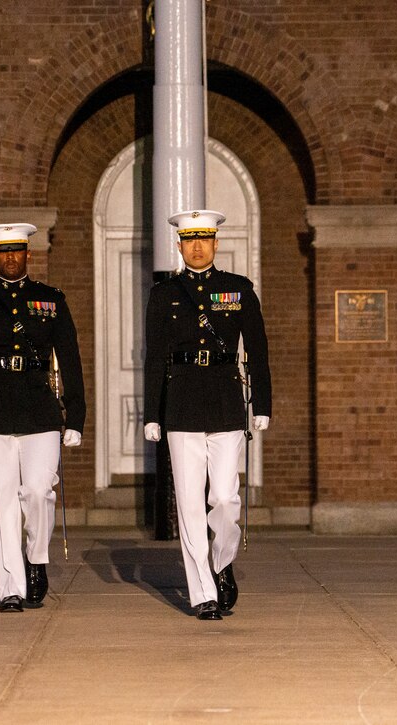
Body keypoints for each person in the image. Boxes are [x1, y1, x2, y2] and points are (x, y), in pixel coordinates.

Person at [0, 223, 85, 613]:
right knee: (2, 501)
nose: (10, 258)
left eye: (17, 251)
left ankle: (36, 557)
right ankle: (10, 586)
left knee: (38, 492)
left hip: (38, 406)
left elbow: (71, 360)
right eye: (3, 252)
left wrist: (76, 416)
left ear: (28, 254)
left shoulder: (50, 300)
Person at [143, 209, 272, 620]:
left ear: (216, 244)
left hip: (224, 399)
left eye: (205, 239)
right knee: (190, 504)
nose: (197, 246)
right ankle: (204, 594)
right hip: (181, 401)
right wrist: (153, 413)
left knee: (224, 498)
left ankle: (222, 560)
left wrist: (262, 405)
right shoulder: (164, 294)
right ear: (179, 246)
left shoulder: (237, 290)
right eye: (189, 240)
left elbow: (258, 350)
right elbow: (154, 358)